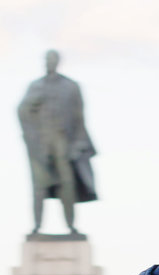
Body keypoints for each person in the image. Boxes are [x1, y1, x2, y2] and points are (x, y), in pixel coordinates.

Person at [16, 49, 97, 234]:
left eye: (53, 59)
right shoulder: (35, 86)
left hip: (63, 142)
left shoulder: (71, 87)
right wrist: (30, 135)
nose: (49, 62)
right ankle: (36, 227)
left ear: (58, 62)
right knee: (39, 186)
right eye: (47, 59)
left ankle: (71, 226)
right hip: (41, 142)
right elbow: (22, 111)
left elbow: (79, 118)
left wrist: (78, 143)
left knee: (67, 184)